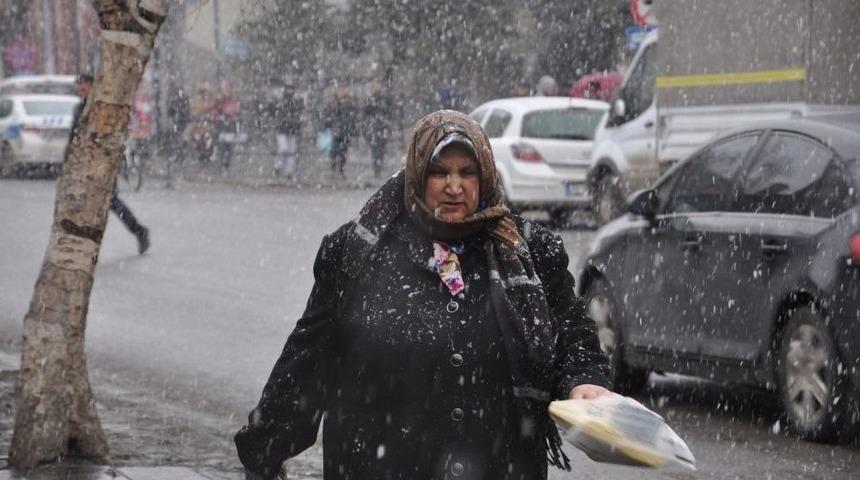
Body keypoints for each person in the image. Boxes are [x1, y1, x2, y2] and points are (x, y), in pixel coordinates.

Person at [235, 110, 611, 480]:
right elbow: (307, 361)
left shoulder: (528, 254)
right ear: (417, 175)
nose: (454, 186)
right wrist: (264, 450)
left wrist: (584, 381)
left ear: (486, 176)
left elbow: (572, 334)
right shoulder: (360, 252)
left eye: (467, 172)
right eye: (439, 171)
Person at [69, 74, 150, 255]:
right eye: (79, 86)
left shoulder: (103, 107)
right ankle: (87, 244)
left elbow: (113, 134)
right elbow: (73, 138)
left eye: (84, 85)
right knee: (91, 203)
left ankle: (138, 231)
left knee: (109, 202)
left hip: (105, 163)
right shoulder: (80, 108)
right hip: (86, 165)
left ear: (92, 86)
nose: (81, 89)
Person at [270, 79, 304, 179]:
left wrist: (297, 122)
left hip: (293, 129)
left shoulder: (297, 101)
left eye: (291, 88)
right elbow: (273, 111)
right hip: (281, 129)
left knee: (292, 151)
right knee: (283, 149)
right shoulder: (280, 100)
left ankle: (289, 172)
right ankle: (277, 166)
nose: (290, 90)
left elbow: (299, 113)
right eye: (288, 88)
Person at [321, 85, 357, 178]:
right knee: (333, 152)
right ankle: (333, 170)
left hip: (345, 131)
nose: (341, 92)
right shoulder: (332, 102)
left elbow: (353, 116)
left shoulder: (349, 102)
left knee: (343, 152)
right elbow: (327, 115)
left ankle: (341, 169)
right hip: (335, 131)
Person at [363, 79, 392, 178]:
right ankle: (377, 167)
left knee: (381, 148)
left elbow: (389, 111)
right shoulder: (370, 98)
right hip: (374, 127)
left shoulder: (385, 98)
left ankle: (378, 165)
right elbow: (366, 112)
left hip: (382, 126)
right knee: (376, 148)